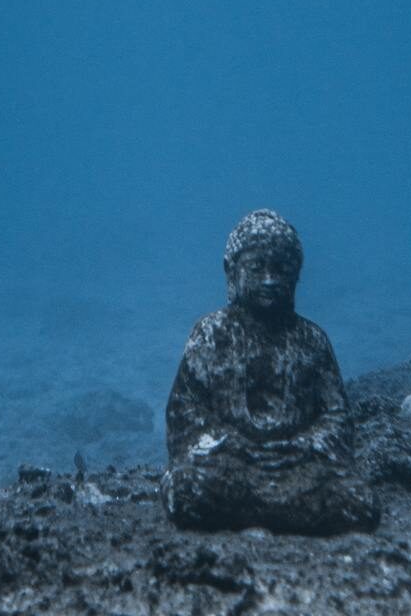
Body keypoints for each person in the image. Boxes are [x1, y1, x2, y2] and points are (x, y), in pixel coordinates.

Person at [161, 209, 379, 536]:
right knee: (187, 489)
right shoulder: (210, 334)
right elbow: (184, 411)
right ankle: (286, 518)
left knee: (357, 500)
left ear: (296, 275)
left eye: (281, 269)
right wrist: (230, 443)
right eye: (257, 267)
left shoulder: (311, 340)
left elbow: (336, 416)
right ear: (231, 271)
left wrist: (305, 444)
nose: (269, 279)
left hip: (298, 465)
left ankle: (249, 516)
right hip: (230, 463)